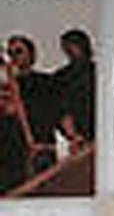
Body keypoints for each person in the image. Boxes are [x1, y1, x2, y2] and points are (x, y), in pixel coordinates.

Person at [5, 35, 58, 174]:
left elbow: (59, 112)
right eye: (10, 53)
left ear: (31, 54)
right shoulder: (7, 87)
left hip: (44, 146)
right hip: (14, 151)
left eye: (18, 51)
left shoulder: (46, 81)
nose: (14, 57)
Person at [52, 29, 94, 149]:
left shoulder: (98, 72)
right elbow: (58, 107)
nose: (69, 50)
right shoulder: (61, 76)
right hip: (74, 136)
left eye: (73, 45)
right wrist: (72, 134)